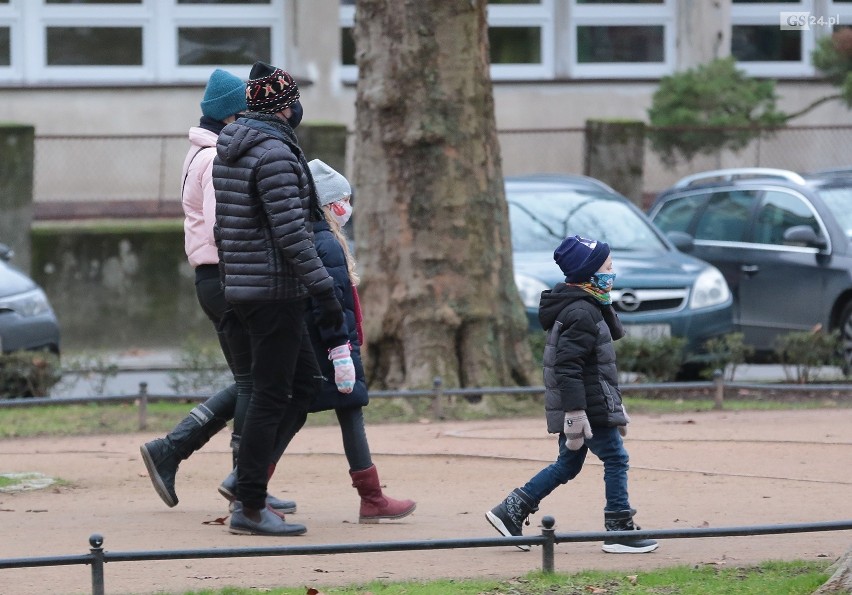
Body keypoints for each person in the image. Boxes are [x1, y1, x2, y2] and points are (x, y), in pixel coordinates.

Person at [139, 68, 296, 517]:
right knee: (256, 384)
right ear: (232, 115)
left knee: (251, 382)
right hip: (227, 278)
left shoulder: (202, 152)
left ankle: (216, 468)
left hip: (218, 279)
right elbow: (223, 224)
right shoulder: (213, 159)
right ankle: (238, 483)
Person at [213, 61, 345, 537]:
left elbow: (224, 227)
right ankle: (249, 505)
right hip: (272, 293)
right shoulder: (273, 154)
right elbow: (292, 234)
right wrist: (325, 289)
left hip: (246, 289)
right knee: (272, 394)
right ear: (285, 107)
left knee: (304, 385)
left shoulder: (233, 148)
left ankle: (246, 482)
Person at [485, 235, 658, 554]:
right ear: (589, 274)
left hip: (591, 401)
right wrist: (576, 414)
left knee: (568, 464)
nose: (612, 272)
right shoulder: (581, 312)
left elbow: (606, 346)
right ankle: (618, 528)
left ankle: (511, 510)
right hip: (587, 406)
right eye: (607, 266)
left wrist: (605, 304)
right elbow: (567, 366)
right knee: (616, 458)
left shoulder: (589, 305)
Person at [266, 159, 416, 523]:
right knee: (329, 413)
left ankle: (248, 481)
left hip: (322, 346)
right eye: (344, 199)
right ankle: (371, 497)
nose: (348, 206)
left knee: (306, 413)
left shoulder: (313, 239)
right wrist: (341, 352)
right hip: (332, 348)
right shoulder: (327, 245)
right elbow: (330, 304)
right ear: (329, 204)